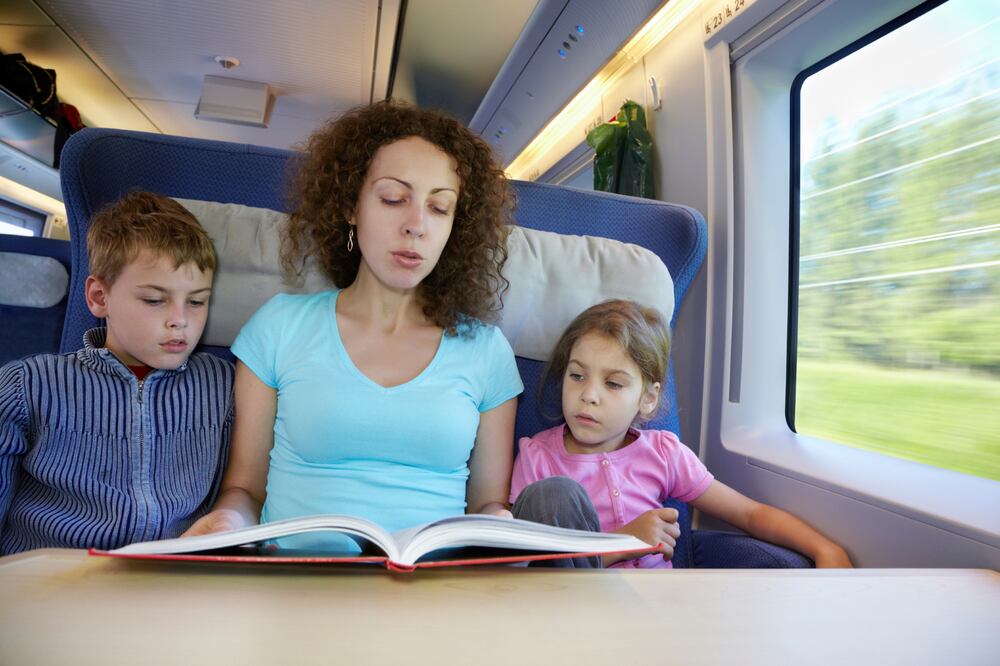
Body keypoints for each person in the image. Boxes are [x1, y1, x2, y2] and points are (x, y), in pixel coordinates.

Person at [184, 101, 523, 551]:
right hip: (295, 587)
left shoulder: (486, 350)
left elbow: (486, 505)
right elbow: (246, 490)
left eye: (440, 208)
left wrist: (506, 524)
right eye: (393, 199)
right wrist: (228, 518)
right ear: (350, 206)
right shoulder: (280, 327)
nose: (416, 225)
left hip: (432, 596)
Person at [510, 299, 853, 568]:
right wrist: (623, 542)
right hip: (571, 613)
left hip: (656, 612)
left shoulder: (661, 454)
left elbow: (749, 514)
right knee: (554, 496)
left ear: (647, 398)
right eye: (577, 376)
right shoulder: (539, 457)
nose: (589, 395)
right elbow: (524, 560)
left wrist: (825, 548)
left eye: (613, 383)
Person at [0, 191, 234, 555]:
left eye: (197, 301)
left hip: (169, 581)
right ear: (99, 297)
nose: (180, 320)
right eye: (155, 300)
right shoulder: (27, 386)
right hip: (52, 577)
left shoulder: (223, 385)